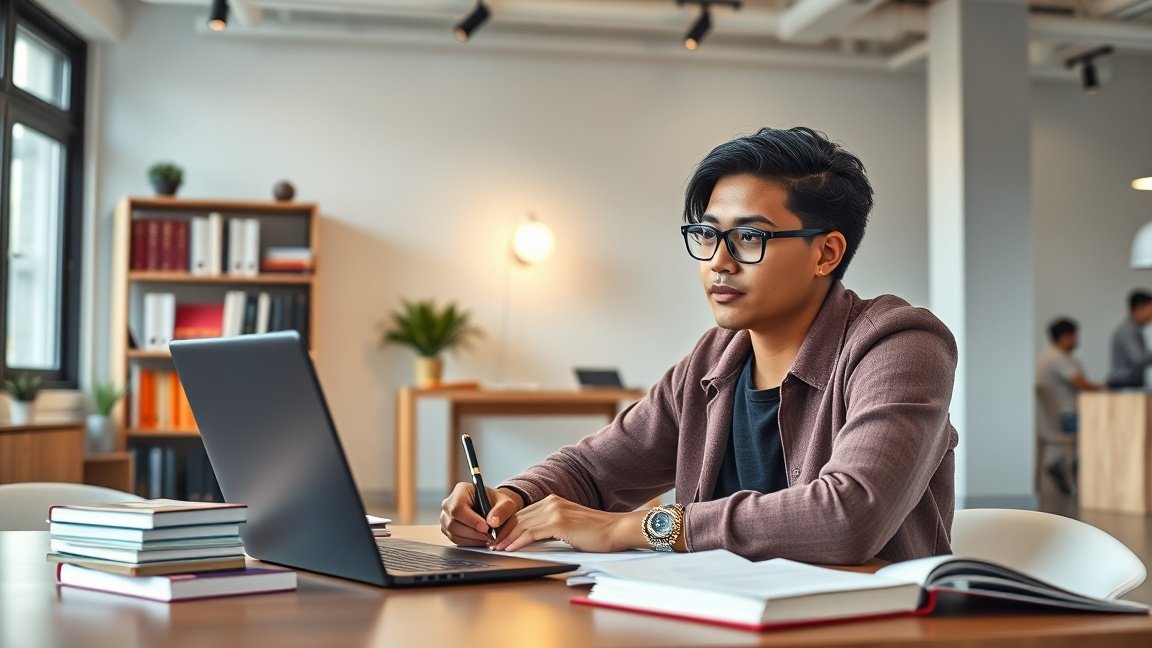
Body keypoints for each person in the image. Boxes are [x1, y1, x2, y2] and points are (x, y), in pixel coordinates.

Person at [440, 127, 958, 565]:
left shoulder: (900, 345)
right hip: (717, 620)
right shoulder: (713, 361)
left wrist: (634, 527)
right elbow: (592, 470)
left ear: (826, 253)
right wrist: (510, 498)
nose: (719, 262)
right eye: (708, 235)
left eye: (750, 238)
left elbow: (849, 516)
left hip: (866, 625)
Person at [1035, 317, 1099, 495]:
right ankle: (1073, 468)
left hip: (1054, 418)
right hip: (1067, 418)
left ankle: (1064, 464)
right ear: (1066, 336)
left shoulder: (1045, 355)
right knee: (1104, 429)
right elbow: (1082, 385)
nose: (1077, 341)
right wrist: (1105, 387)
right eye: (1075, 336)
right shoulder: (1059, 358)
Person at [1106, 290, 1152, 389]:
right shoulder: (1128, 330)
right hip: (1124, 384)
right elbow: (1138, 358)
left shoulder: (1134, 329)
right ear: (1139, 308)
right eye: (1150, 309)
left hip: (1128, 383)